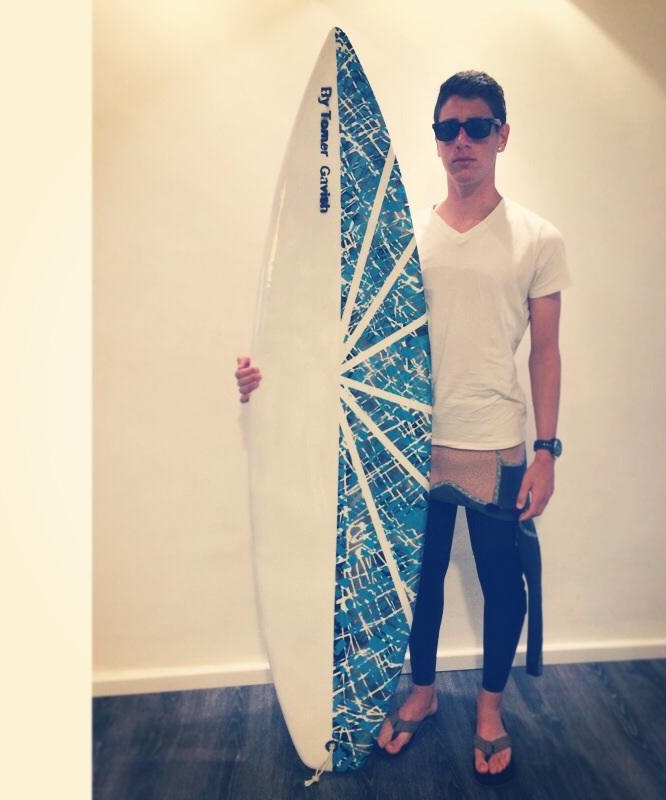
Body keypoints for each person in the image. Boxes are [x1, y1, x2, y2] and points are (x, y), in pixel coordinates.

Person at [235, 70, 569, 786]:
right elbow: (342, 338)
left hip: (495, 442)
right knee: (414, 580)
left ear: (502, 135)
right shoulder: (405, 239)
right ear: (436, 141)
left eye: (476, 127)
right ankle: (421, 691)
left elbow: (545, 350)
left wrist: (546, 451)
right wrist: (268, 378)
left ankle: (489, 710)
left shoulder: (538, 238)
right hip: (408, 440)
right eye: (447, 129)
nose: (461, 141)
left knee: (501, 582)